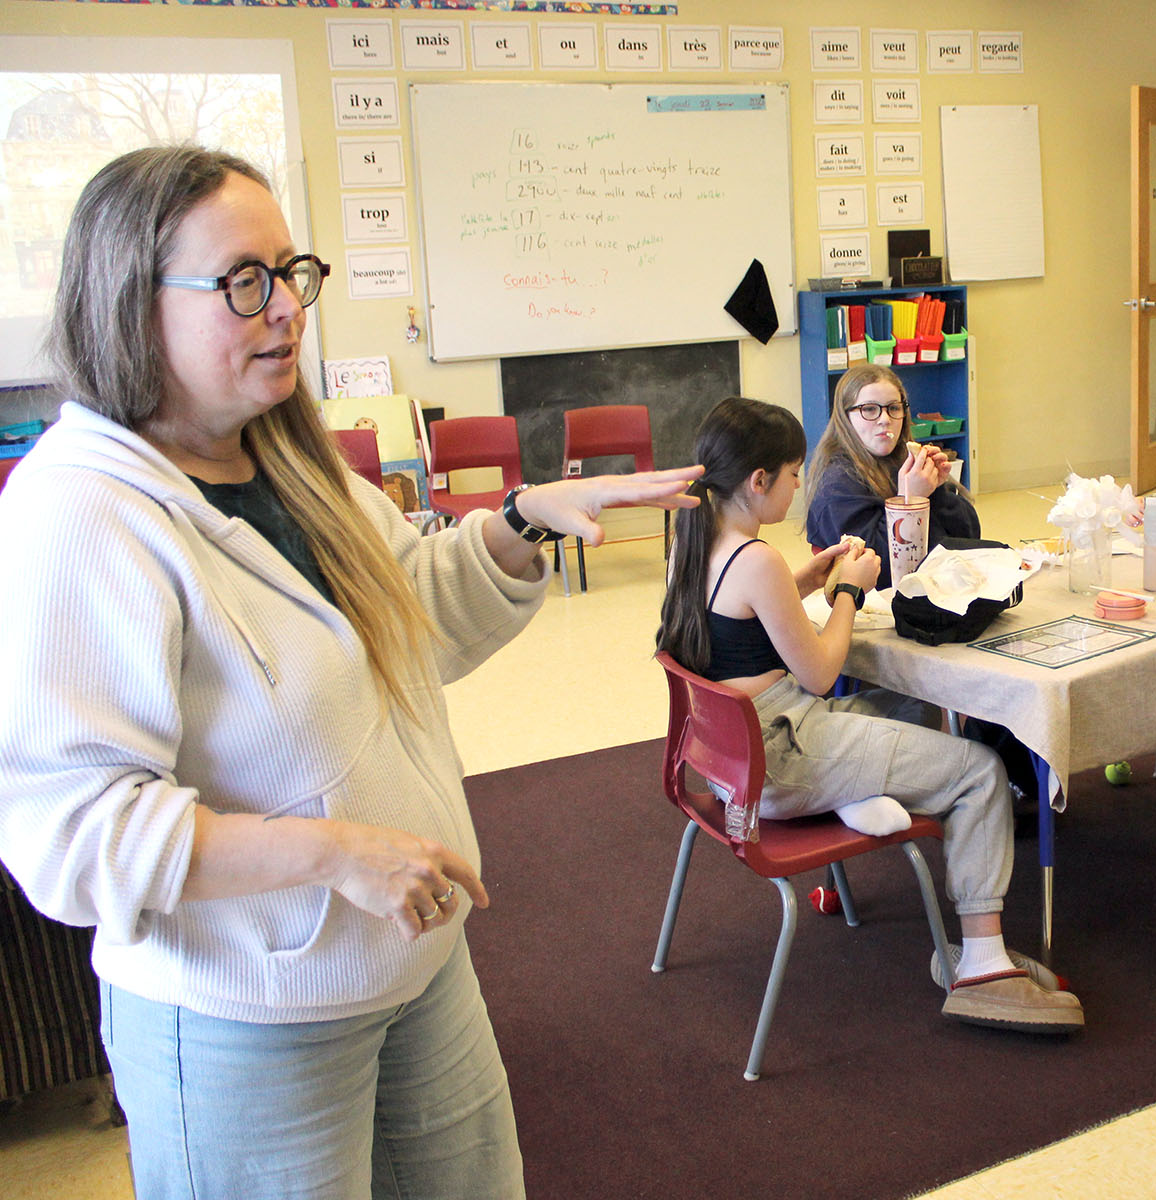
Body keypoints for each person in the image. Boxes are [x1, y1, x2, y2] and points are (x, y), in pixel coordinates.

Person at [0, 145, 700, 1200]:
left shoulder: (284, 457)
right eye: (245, 281)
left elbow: (409, 610)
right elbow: (71, 837)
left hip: (416, 964)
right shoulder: (79, 515)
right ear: (131, 305)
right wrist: (329, 855)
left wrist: (519, 524)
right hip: (246, 1020)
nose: (287, 308)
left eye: (293, 271)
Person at [657, 396, 1083, 1033]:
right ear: (758, 481)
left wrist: (812, 576)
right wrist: (850, 589)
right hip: (784, 755)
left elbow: (746, 611)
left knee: (917, 703)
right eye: (794, 473)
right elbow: (822, 674)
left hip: (738, 760)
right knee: (981, 772)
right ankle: (983, 966)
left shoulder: (694, 544)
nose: (800, 485)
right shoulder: (756, 560)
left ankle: (860, 787)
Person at [803, 363, 979, 587]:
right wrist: (910, 502)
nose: (885, 419)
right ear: (845, 417)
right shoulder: (836, 484)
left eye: (894, 408)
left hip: (936, 584)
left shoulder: (903, 460)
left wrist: (935, 492)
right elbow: (881, 575)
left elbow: (971, 538)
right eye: (869, 409)